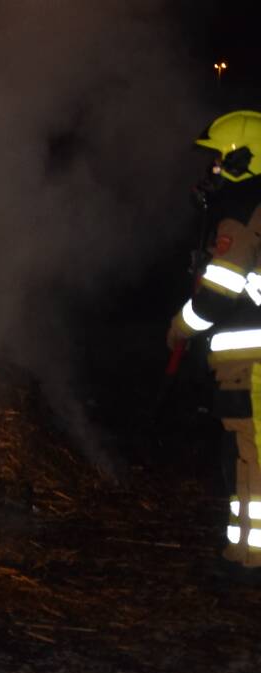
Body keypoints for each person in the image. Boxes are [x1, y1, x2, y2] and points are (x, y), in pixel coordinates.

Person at [167, 110, 261, 569]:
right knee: (245, 460)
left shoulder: (243, 216)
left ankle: (251, 561)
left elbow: (219, 297)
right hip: (246, 366)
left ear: (246, 159)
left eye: (220, 162)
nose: (213, 174)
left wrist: (182, 326)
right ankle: (242, 553)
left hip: (252, 367)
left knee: (253, 462)